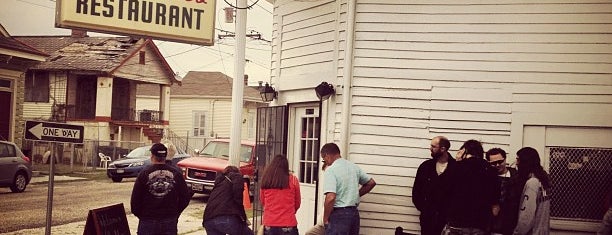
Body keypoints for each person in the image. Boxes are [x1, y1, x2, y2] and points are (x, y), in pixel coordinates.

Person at [130, 143, 191, 235]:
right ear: (165, 156)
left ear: (152, 156)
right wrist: (175, 212)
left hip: (148, 220)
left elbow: (135, 200)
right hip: (169, 220)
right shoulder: (176, 173)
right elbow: (185, 197)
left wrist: (142, 215)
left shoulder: (144, 174)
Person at [443, 139, 500, 235]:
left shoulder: (456, 167)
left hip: (457, 221)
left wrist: (457, 162)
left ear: (464, 151)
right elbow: (495, 203)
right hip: (480, 224)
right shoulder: (491, 170)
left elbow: (444, 190)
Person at [321, 142, 376, 235]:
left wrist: (325, 218)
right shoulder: (353, 167)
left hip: (339, 215)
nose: (325, 163)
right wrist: (356, 194)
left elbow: (330, 197)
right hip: (354, 214)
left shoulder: (331, 170)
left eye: (324, 160)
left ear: (327, 155)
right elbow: (371, 183)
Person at [412, 136, 456, 235]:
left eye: (433, 146)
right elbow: (416, 191)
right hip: (428, 218)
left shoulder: (456, 168)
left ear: (443, 149)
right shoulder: (426, 166)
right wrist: (424, 208)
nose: (430, 148)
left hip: (448, 221)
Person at [203, 165, 254, 235]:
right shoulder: (236, 177)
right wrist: (244, 219)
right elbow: (238, 200)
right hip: (226, 218)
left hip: (208, 220)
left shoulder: (219, 182)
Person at [512, 147, 551, 235]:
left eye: (518, 160)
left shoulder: (532, 183)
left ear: (526, 162)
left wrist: (517, 232)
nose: (516, 163)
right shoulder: (543, 181)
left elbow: (527, 215)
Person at [260, 155, 301, 235]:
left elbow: (263, 201)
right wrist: (291, 211)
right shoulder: (293, 180)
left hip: (269, 222)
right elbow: (297, 202)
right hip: (288, 222)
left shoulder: (266, 180)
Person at [486, 148, 519, 235]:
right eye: (493, 163)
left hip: (511, 224)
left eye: (500, 162)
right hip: (490, 225)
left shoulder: (517, 176)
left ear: (505, 159)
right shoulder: (486, 178)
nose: (497, 165)